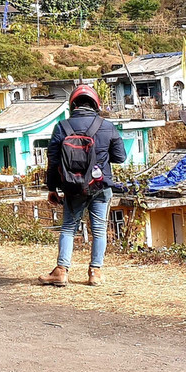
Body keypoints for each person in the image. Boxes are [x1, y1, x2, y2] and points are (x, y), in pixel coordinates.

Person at [38, 84, 126, 288]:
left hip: (72, 187)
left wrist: (52, 188)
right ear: (95, 104)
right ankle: (95, 272)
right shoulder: (107, 126)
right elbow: (121, 157)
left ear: (73, 105)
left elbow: (52, 160)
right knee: (99, 229)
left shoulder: (62, 127)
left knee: (69, 228)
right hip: (100, 186)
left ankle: (61, 271)